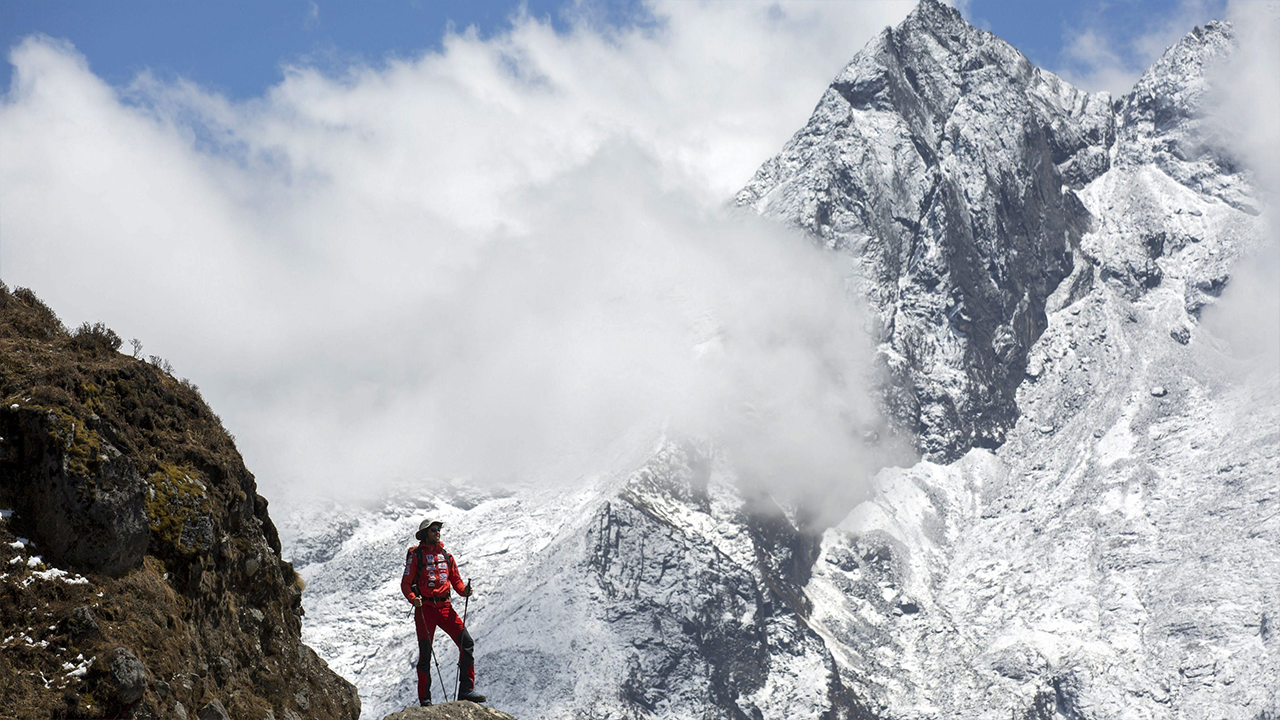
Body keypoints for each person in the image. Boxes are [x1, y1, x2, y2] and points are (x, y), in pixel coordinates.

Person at [402, 518, 486, 705]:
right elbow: (405, 583)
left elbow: (456, 581)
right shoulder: (416, 556)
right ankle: (425, 699)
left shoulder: (446, 556)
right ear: (425, 533)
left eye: (438, 529)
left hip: (445, 607)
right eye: (433, 529)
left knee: (466, 643)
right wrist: (413, 599)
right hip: (425, 609)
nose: (437, 532)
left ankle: (466, 690)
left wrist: (464, 591)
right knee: (425, 654)